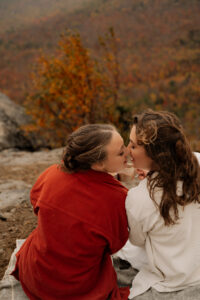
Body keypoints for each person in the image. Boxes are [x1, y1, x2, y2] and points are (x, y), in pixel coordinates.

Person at [11, 124, 130, 300]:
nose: (128, 153)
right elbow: (116, 244)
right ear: (98, 164)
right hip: (75, 288)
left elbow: (35, 201)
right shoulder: (118, 198)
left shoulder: (52, 173)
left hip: (36, 275)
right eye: (121, 153)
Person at [125, 109, 200, 299]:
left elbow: (137, 241)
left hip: (169, 288)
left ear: (155, 153)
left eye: (133, 146)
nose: (127, 150)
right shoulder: (197, 163)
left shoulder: (138, 198)